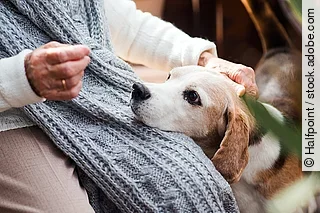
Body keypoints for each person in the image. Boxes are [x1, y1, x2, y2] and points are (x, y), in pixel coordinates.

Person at [0, 0, 258, 212]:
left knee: (191, 188)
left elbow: (124, 24)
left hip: (100, 98)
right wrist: (21, 78)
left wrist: (202, 58)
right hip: (13, 117)